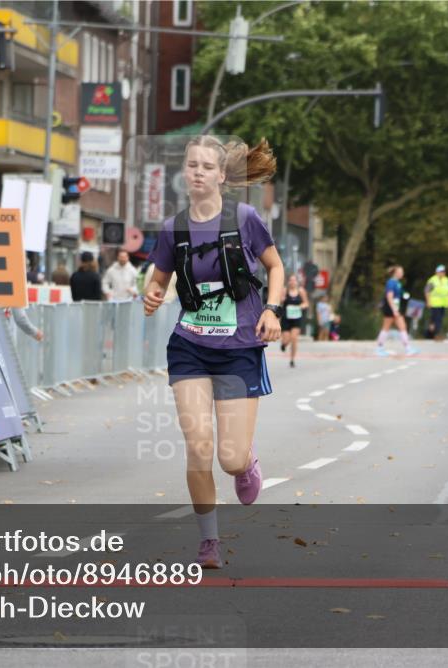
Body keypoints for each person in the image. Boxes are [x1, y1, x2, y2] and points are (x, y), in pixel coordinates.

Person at [143, 136, 283, 570]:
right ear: (184, 172)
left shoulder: (245, 219)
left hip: (239, 348)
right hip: (190, 347)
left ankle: (245, 464)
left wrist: (274, 310)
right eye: (192, 165)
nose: (198, 172)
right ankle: (209, 542)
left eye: (207, 166)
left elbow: (276, 267)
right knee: (198, 447)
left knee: (229, 458)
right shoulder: (173, 229)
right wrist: (150, 296)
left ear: (223, 175)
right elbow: (157, 281)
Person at [376, 265, 417, 356]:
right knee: (387, 327)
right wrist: (394, 309)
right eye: (401, 272)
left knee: (401, 326)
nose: (402, 273)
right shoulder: (391, 283)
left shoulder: (397, 283)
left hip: (395, 307)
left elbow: (401, 294)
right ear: (396, 273)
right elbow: (389, 296)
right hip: (390, 307)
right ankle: (379, 348)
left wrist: (405, 295)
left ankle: (408, 348)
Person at [279, 275, 309, 367]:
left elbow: (306, 303)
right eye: (290, 280)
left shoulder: (301, 291)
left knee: (294, 338)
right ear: (288, 282)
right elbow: (280, 301)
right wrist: (282, 299)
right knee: (287, 339)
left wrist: (300, 306)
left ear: (297, 282)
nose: (292, 282)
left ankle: (292, 359)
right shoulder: (285, 290)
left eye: (294, 280)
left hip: (296, 318)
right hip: (286, 318)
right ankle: (284, 344)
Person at [424, 264, 448, 340]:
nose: (442, 273)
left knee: (436, 320)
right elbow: (427, 291)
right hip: (434, 303)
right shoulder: (432, 280)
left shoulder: (447, 280)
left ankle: (429, 334)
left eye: (443, 271)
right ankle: (437, 334)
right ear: (436, 272)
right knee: (437, 319)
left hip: (443, 304)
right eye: (440, 271)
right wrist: (428, 301)